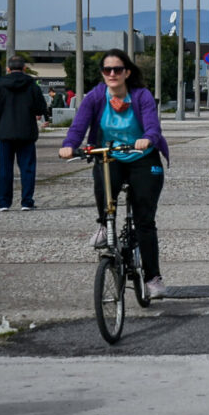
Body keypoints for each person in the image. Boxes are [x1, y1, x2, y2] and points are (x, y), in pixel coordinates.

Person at [59, 49, 170, 299]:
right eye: (107, 70)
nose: (112, 74)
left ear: (127, 72)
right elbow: (79, 124)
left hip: (143, 158)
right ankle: (103, 225)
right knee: (102, 179)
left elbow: (152, 125)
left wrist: (147, 138)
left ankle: (153, 277)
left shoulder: (141, 96)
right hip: (111, 155)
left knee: (144, 221)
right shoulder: (95, 97)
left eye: (117, 69)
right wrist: (69, 144)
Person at [0, 56, 48, 212]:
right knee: (27, 168)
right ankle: (27, 202)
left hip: (5, 133)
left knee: (5, 169)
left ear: (8, 69)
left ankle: (3, 203)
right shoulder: (32, 85)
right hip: (27, 132)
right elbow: (41, 108)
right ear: (24, 68)